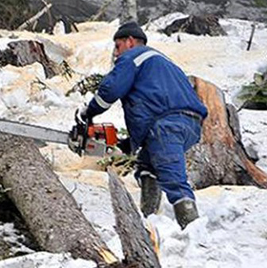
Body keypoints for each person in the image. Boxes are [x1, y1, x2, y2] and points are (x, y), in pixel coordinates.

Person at [77, 22, 208, 229]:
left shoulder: (133, 57)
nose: (116, 53)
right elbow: (153, 103)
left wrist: (89, 111)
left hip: (168, 124)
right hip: (189, 124)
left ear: (130, 42)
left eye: (118, 46)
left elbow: (111, 90)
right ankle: (149, 218)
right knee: (147, 165)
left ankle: (193, 230)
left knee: (172, 175)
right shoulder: (163, 62)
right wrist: (129, 143)